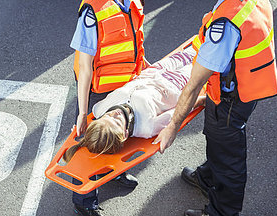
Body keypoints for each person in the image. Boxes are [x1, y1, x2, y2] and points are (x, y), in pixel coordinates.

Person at [154, 0, 277, 216]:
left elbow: (195, 83)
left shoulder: (224, 27)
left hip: (232, 99)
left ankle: (222, 211)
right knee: (215, 135)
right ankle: (209, 177)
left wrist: (172, 126)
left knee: (228, 156)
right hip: (251, 83)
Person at [70, 0, 147, 216]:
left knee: (120, 134)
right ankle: (85, 200)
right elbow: (86, 65)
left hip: (126, 81)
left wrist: (143, 63)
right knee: (92, 145)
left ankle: (115, 172)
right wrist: (82, 111)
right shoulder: (92, 9)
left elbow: (135, 34)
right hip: (98, 89)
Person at [63, 47, 203, 162]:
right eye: (117, 122)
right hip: (177, 83)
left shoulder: (99, 109)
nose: (115, 114)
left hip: (155, 70)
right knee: (204, 59)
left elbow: (98, 123)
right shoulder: (147, 127)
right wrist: (202, 99)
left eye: (108, 116)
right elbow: (179, 111)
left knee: (193, 48)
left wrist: (84, 128)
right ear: (124, 134)